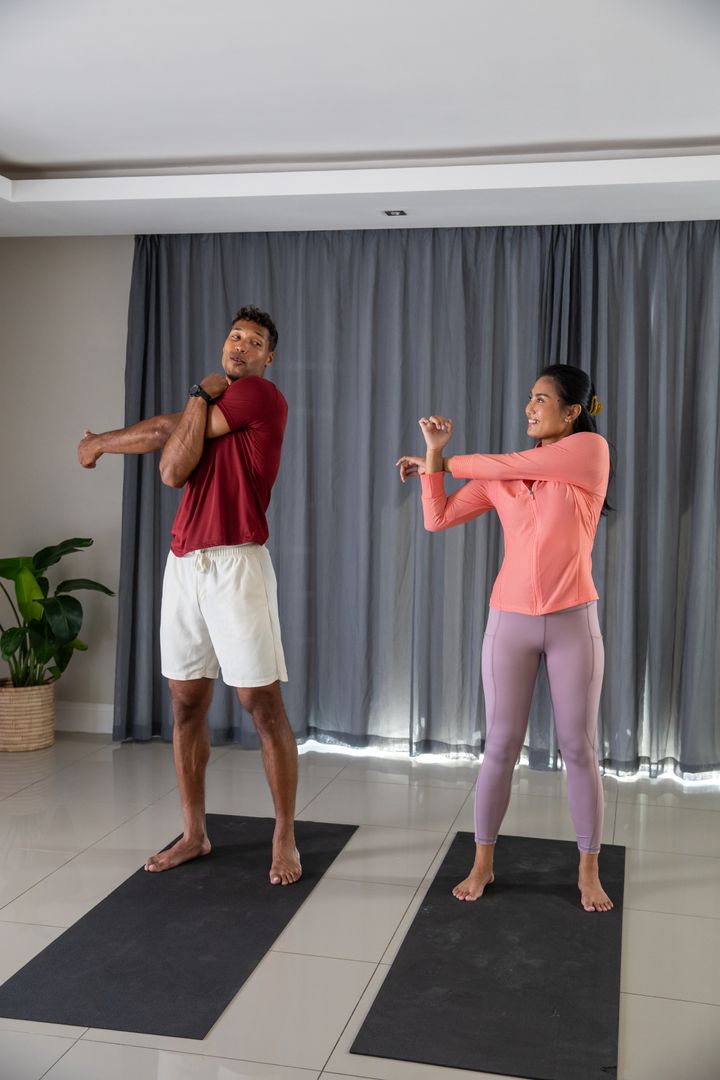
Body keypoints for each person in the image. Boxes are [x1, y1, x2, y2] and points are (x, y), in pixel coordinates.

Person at [78, 305, 301, 886]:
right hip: (184, 565)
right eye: (235, 336)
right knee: (185, 705)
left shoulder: (259, 396)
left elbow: (168, 457)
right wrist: (194, 401)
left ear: (268, 359)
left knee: (261, 704)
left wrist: (102, 442)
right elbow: (172, 449)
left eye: (254, 342)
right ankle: (194, 832)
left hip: (236, 564)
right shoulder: (210, 404)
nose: (240, 346)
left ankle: (284, 834)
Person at [396, 365, 613, 912]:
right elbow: (438, 518)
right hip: (509, 623)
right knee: (499, 746)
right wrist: (433, 463)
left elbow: (512, 464)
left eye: (541, 400)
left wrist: (443, 461)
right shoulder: (504, 475)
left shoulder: (590, 451)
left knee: (578, 748)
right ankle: (482, 863)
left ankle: (588, 870)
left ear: (572, 412)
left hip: (573, 622)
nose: (529, 408)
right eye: (529, 398)